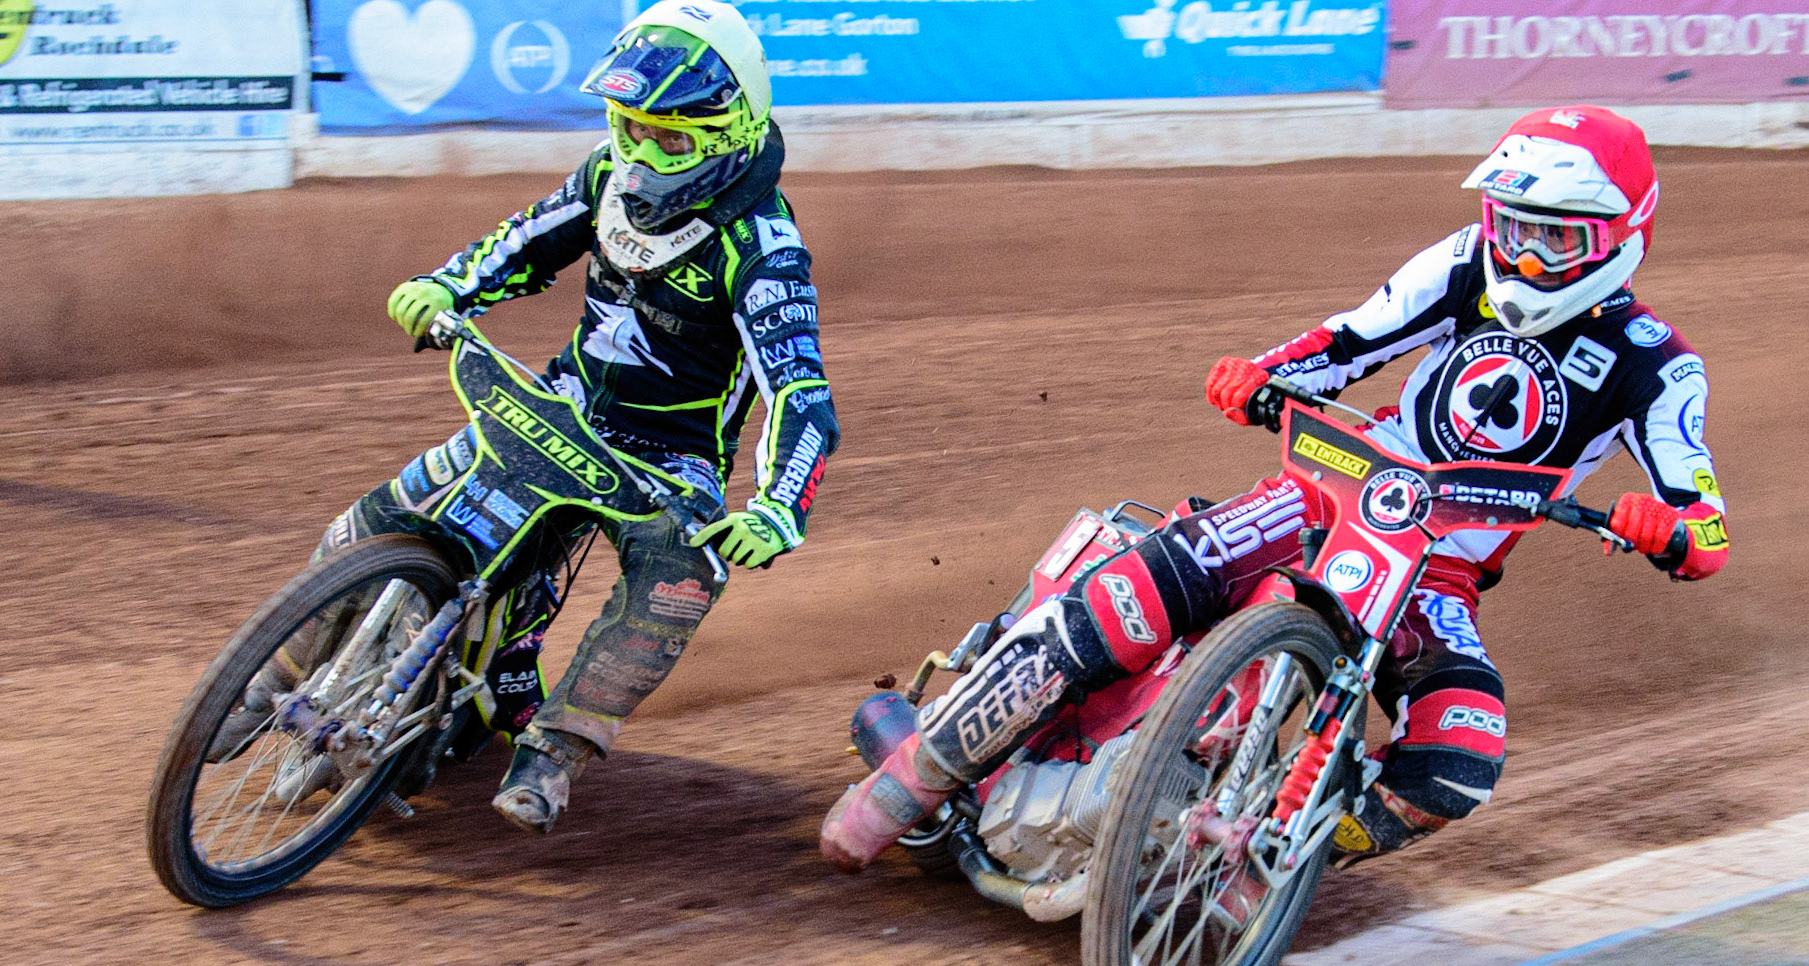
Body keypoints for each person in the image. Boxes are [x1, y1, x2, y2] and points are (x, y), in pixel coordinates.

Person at [820, 105, 1725, 873]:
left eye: (1552, 238)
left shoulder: (1659, 367)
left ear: (1619, 236)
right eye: (1509, 227)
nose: (1522, 257)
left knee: (1458, 757)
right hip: (1343, 488)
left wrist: (1671, 532)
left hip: (1437, 572)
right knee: (1137, 588)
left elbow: (1703, 519)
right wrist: (1262, 375)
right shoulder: (1461, 262)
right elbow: (1348, 340)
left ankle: (1269, 859)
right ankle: (915, 776)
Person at [333, 0, 838, 834]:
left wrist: (779, 504)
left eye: (668, 139)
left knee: (682, 579)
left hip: (668, 463)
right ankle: (279, 674)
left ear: (729, 131)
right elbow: (528, 238)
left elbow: (800, 395)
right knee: (384, 516)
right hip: (559, 405)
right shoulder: (606, 175)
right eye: (628, 129)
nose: (641, 155)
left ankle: (553, 752)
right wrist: (449, 285)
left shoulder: (761, 249)